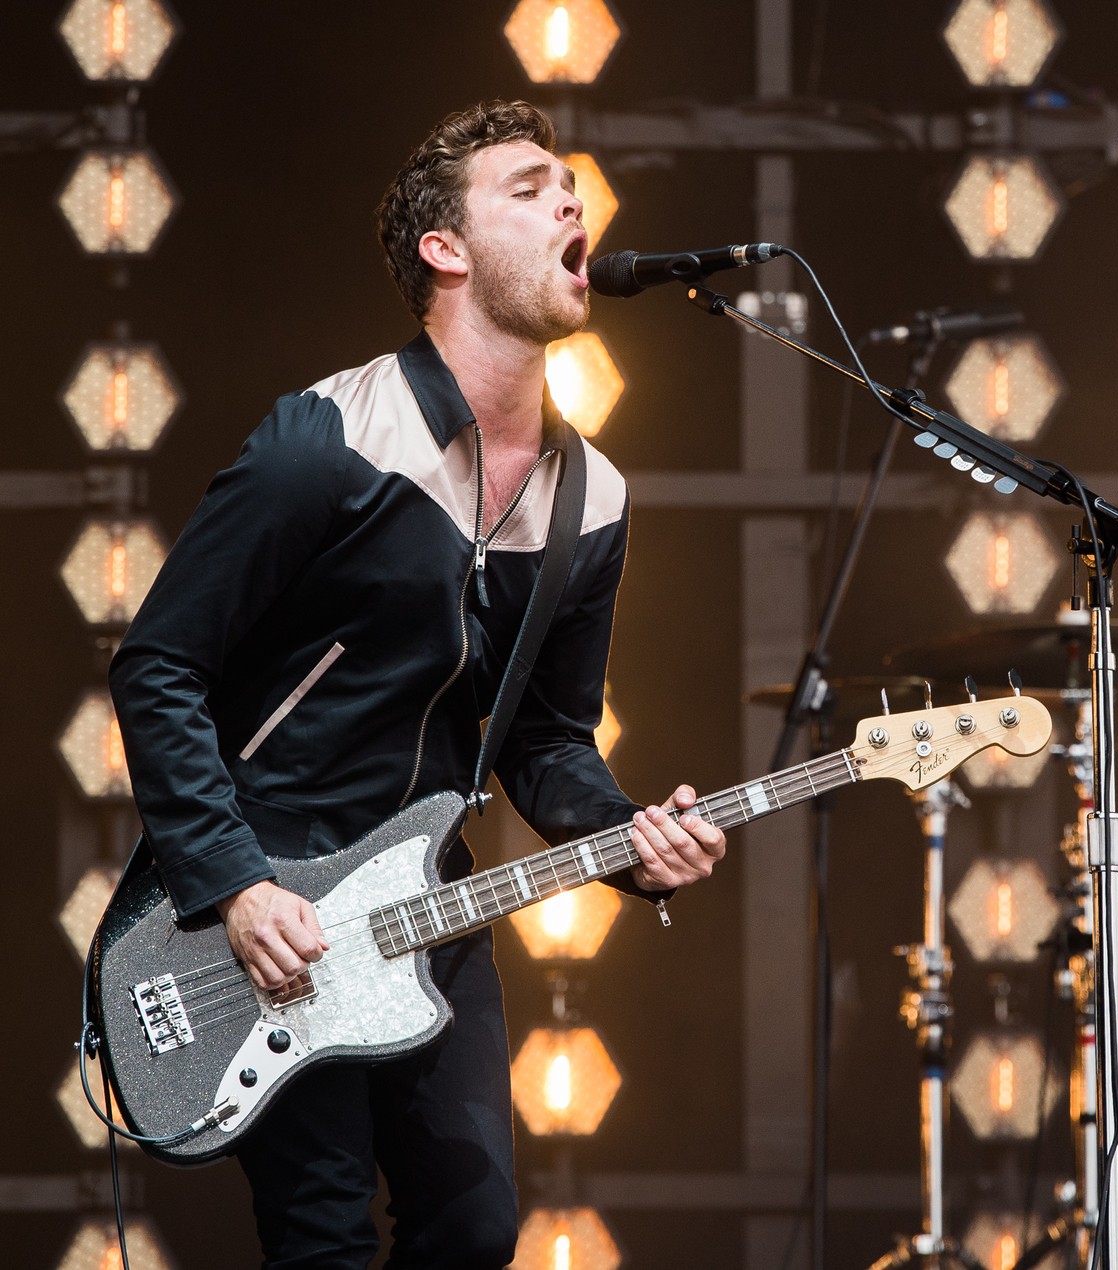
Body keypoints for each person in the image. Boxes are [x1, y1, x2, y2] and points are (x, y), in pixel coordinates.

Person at [107, 100, 725, 1267]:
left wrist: (631, 834)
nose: (571, 200)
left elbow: (547, 739)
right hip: (273, 904)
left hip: (432, 899)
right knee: (323, 1236)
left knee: (476, 1228)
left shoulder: (593, 497)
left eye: (571, 186)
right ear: (446, 250)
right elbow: (159, 666)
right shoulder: (325, 441)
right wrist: (234, 885)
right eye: (530, 186)